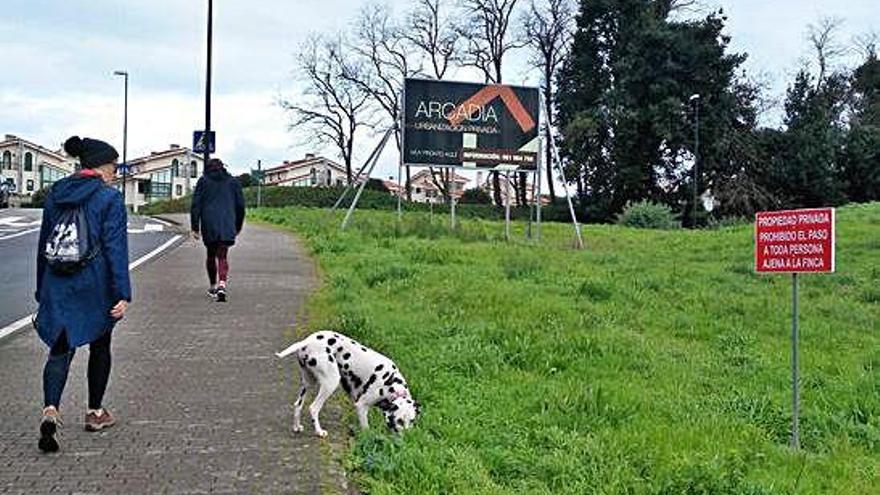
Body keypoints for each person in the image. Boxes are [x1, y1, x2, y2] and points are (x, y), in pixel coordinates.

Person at [35, 136, 131, 453]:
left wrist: (41, 288)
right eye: (114, 166)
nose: (115, 172)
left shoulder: (56, 193)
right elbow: (115, 248)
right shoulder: (109, 198)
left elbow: (44, 243)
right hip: (95, 282)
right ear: (102, 166)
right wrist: (122, 292)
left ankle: (51, 409)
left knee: (60, 347)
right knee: (100, 343)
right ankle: (95, 412)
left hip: (57, 280)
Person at [190, 158, 245, 302]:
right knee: (222, 255)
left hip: (209, 223)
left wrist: (195, 227)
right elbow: (240, 206)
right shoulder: (233, 182)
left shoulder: (203, 181)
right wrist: (238, 225)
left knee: (210, 255)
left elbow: (196, 205)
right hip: (227, 223)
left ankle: (213, 286)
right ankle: (222, 283)